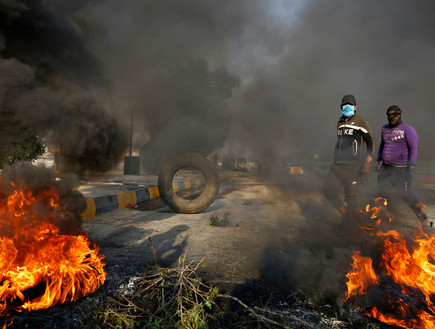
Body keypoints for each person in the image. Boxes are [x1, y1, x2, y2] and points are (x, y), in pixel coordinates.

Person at [323, 94, 375, 218]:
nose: (348, 107)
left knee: (351, 198)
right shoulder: (339, 123)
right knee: (328, 190)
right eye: (345, 105)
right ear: (341, 107)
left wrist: (368, 161)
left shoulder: (361, 122)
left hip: (353, 166)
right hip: (337, 165)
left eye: (351, 105)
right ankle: (346, 215)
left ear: (355, 106)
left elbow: (370, 141)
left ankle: (355, 226)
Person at [375, 105, 428, 224]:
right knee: (382, 192)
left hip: (401, 169)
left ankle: (423, 220)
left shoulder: (407, 129)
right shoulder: (384, 129)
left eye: (393, 115)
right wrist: (377, 160)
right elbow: (382, 146)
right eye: (388, 115)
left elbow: (414, 148)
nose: (391, 117)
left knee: (406, 195)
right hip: (385, 168)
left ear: (399, 115)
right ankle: (390, 217)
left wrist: (412, 166)